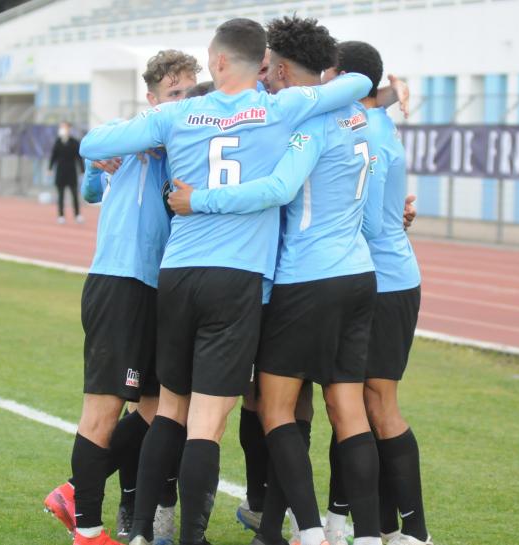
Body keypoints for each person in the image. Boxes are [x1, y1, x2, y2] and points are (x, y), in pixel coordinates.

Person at [80, 17, 372, 545]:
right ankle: (192, 538)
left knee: (168, 408)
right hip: (237, 279)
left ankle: (144, 531)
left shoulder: (178, 112)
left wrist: (103, 153)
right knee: (207, 423)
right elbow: (357, 85)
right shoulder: (281, 107)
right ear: (261, 64)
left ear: (215, 62)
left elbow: (94, 140)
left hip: (178, 272)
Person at [168, 15, 383, 545]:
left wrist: (199, 200)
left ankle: (304, 530)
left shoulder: (305, 123)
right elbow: (365, 86)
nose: (263, 79)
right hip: (360, 272)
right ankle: (366, 533)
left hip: (306, 278)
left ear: (282, 68)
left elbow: (281, 189)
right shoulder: (357, 113)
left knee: (275, 408)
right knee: (347, 409)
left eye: (268, 70)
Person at [43, 50, 201, 545]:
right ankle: (88, 528)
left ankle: (75, 490)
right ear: (153, 99)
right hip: (120, 282)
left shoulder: (186, 138)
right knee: (105, 407)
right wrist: (95, 161)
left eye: (190, 92)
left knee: (159, 411)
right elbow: (94, 168)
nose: (184, 102)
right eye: (175, 94)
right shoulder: (135, 133)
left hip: (160, 287)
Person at [321, 42, 431, 545]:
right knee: (354, 404)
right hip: (387, 275)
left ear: (344, 79)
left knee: (376, 405)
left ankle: (413, 531)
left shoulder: (367, 135)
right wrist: (392, 88)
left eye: (330, 75)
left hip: (382, 279)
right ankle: (371, 523)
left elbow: (362, 217)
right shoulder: (376, 121)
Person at [49, 121, 84, 224]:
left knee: (74, 194)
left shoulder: (74, 142)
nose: (63, 129)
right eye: (61, 127)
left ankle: (77, 214)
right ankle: (61, 215)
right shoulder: (58, 142)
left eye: (65, 127)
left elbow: (78, 157)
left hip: (71, 172)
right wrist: (50, 168)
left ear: (69, 129)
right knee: (60, 195)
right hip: (60, 172)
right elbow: (53, 156)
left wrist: (82, 170)